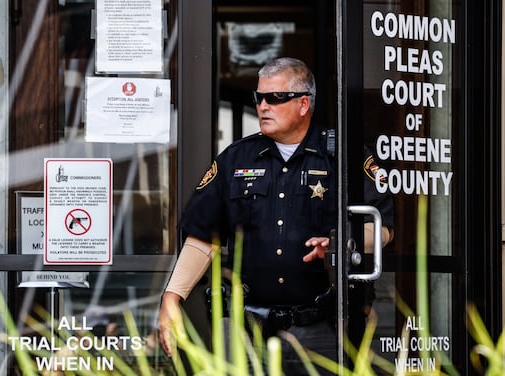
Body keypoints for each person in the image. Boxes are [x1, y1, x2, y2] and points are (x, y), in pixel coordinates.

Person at [157, 57, 394, 374]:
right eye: (259, 98)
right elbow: (204, 237)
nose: (263, 106)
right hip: (250, 328)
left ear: (303, 104)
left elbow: (381, 227)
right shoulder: (236, 158)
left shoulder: (344, 156)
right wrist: (173, 296)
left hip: (323, 327)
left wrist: (342, 243)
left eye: (275, 98)